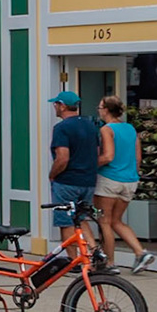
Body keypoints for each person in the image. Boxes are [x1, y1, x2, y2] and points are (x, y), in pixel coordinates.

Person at [95, 95, 155, 274]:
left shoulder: (107, 129)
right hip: (129, 180)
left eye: (100, 107)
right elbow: (138, 158)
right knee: (117, 220)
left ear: (106, 110)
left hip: (109, 179)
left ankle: (109, 263)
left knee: (104, 221)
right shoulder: (130, 128)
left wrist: (89, 164)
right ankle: (140, 252)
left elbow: (108, 156)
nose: (98, 111)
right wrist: (132, 174)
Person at [47, 89, 100, 236]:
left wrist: (52, 175)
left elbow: (62, 158)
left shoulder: (61, 127)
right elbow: (96, 153)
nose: (55, 107)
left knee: (67, 223)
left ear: (62, 106)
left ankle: (72, 252)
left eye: (56, 104)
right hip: (88, 181)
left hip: (67, 182)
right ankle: (92, 248)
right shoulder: (90, 125)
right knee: (81, 220)